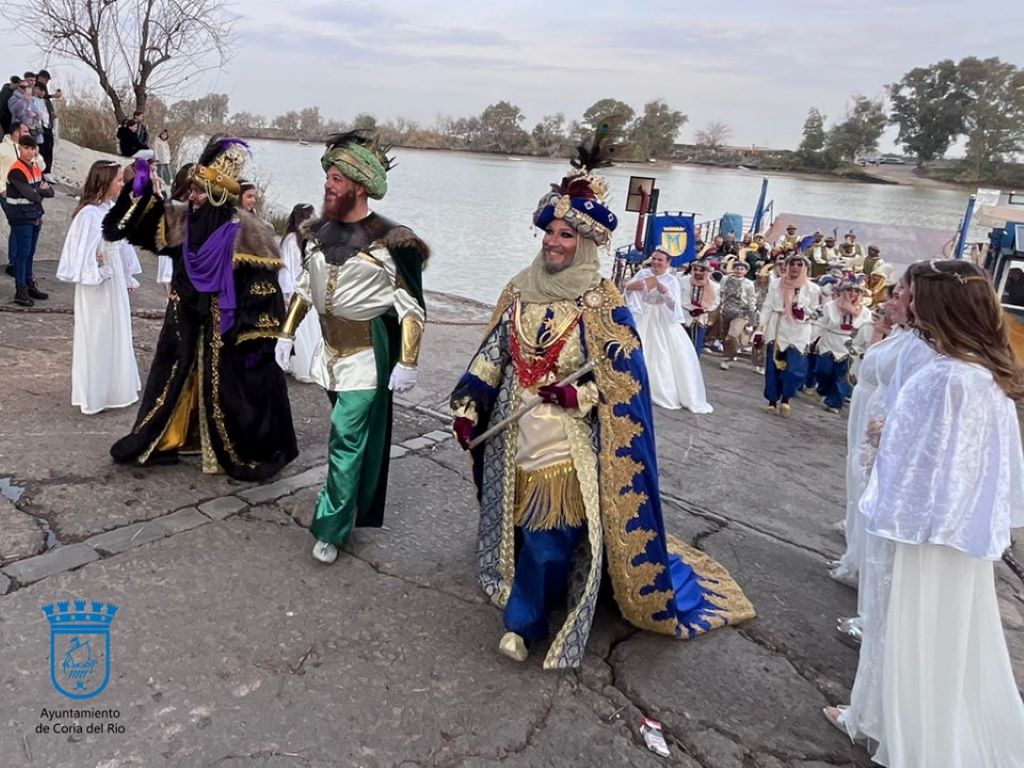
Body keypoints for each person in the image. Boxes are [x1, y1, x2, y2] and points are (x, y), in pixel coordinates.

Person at [449, 135, 754, 668]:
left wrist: (577, 391)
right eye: (549, 232)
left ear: (585, 243)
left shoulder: (603, 302)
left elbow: (622, 384)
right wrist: (469, 404)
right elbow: (494, 352)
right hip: (511, 433)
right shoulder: (520, 288)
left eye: (565, 234)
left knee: (549, 538)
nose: (553, 242)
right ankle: (537, 587)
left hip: (563, 446)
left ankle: (524, 624)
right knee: (517, 527)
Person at [827, 259, 1024, 766]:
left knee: (907, 624)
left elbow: (928, 461)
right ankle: (879, 715)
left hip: (922, 529)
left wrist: (883, 433)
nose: (905, 304)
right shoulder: (984, 371)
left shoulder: (947, 377)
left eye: (912, 296)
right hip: (957, 529)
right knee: (942, 632)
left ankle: (902, 729)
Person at [274, 131, 428, 565]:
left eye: (338, 178)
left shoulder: (393, 241)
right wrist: (287, 333)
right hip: (329, 355)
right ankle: (350, 503)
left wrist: (408, 360)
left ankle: (330, 527)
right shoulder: (318, 233)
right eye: (328, 176)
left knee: (344, 439)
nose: (329, 184)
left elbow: (411, 307)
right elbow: (305, 287)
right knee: (351, 440)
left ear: (360, 185)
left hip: (365, 357)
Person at [102, 138, 298, 480]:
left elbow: (265, 296)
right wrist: (141, 186)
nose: (191, 198)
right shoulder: (182, 221)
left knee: (234, 393)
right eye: (191, 190)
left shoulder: (253, 234)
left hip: (229, 334)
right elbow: (125, 228)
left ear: (220, 196)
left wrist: (256, 341)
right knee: (173, 382)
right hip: (184, 326)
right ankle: (169, 439)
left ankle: (228, 448)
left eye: (199, 193)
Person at [56, 160, 142, 414]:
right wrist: (99, 265)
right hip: (98, 284)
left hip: (113, 280)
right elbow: (81, 254)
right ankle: (96, 393)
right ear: (105, 184)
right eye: (118, 180)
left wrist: (127, 276)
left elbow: (122, 245)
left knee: (116, 330)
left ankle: (115, 388)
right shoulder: (89, 215)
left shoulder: (110, 209)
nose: (122, 184)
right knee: (98, 333)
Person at [625, 249, 712, 412]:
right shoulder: (643, 273)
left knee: (662, 353)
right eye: (654, 259)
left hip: (660, 317)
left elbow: (674, 306)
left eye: (660, 260)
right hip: (642, 314)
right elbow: (627, 290)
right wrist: (633, 286)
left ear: (668, 262)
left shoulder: (672, 280)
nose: (656, 263)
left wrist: (663, 291)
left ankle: (659, 389)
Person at [758, 253, 820, 415]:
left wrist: (804, 313)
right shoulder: (777, 283)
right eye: (792, 264)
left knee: (794, 368)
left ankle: (786, 398)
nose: (795, 268)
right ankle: (772, 400)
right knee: (774, 367)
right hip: (778, 326)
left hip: (799, 331)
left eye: (800, 265)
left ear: (806, 268)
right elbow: (768, 305)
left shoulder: (813, 289)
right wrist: (761, 328)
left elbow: (817, 312)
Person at [4, 134, 53, 306]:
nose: (30, 151)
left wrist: (39, 191)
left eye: (32, 148)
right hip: (21, 215)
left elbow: (50, 191)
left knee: (30, 252)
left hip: (34, 214)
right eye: (26, 148)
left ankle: (29, 283)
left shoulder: (35, 168)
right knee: (22, 253)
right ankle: (21, 289)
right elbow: (31, 194)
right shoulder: (17, 170)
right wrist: (40, 191)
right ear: (19, 148)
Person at [813, 278, 872, 413]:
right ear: (842, 291)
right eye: (849, 290)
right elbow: (820, 323)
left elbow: (867, 330)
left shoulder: (865, 312)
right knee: (824, 370)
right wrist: (813, 339)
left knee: (842, 375)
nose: (853, 294)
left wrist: (866, 348)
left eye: (857, 291)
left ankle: (834, 402)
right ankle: (823, 389)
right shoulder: (830, 306)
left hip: (850, 345)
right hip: (830, 341)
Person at [276, 203, 320, 383]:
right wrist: (287, 292)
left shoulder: (307, 241)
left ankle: (308, 364)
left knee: (308, 328)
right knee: (300, 328)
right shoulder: (292, 241)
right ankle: (298, 363)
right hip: (296, 289)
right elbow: (285, 268)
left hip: (305, 289)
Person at [717, 260, 757, 370]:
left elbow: (751, 299)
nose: (739, 271)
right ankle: (729, 352)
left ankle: (728, 359)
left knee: (732, 335)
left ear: (746, 271)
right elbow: (720, 293)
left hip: (740, 312)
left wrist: (751, 315)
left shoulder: (749, 283)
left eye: (742, 269)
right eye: (737, 268)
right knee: (725, 336)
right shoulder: (725, 279)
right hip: (725, 310)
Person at [678, 258, 719, 354]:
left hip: (701, 318)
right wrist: (690, 308)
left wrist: (703, 309)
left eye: (701, 270)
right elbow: (678, 297)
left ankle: (693, 367)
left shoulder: (714, 286)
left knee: (695, 346)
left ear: (707, 271)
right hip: (684, 315)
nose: (697, 272)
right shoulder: (683, 281)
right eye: (695, 269)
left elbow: (715, 302)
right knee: (680, 345)